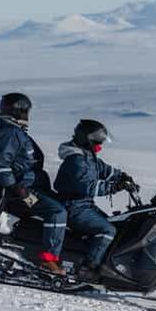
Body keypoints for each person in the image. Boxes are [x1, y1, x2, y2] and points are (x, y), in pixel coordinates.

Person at [0, 93, 67, 275]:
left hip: (28, 187)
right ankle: (47, 260)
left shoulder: (16, 131)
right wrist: (14, 188)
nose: (27, 114)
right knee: (57, 212)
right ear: (19, 109)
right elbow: (0, 165)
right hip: (21, 192)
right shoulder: (10, 132)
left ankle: (41, 248)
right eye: (25, 110)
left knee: (62, 206)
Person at [54, 119, 134, 280]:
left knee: (115, 223)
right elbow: (88, 186)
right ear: (87, 138)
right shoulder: (76, 160)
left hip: (84, 205)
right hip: (74, 207)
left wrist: (123, 177)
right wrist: (114, 187)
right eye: (97, 140)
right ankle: (87, 268)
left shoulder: (87, 156)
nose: (100, 144)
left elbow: (104, 169)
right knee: (108, 230)